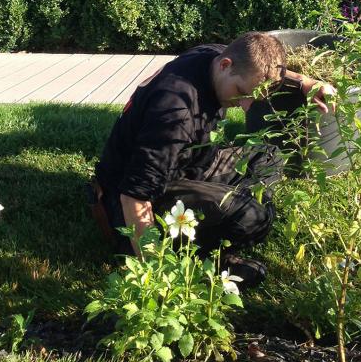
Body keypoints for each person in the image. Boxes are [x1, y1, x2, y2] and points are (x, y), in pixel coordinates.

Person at [92, 31, 335, 285]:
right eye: (242, 92)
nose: (246, 106)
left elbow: (262, 67)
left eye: (255, 96)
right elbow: (134, 195)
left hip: (190, 163)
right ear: (225, 65)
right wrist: (154, 271)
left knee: (269, 155)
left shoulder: (213, 54)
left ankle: (222, 219)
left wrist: (305, 82)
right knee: (254, 214)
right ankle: (208, 258)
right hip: (129, 203)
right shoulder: (175, 113)